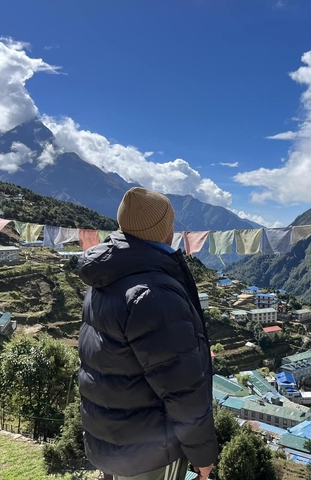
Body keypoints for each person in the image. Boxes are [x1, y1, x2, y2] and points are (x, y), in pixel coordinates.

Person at [76, 187, 217, 480]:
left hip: (112, 438)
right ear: (165, 227)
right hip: (150, 449)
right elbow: (182, 386)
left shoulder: (106, 276)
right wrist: (202, 453)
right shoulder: (153, 294)